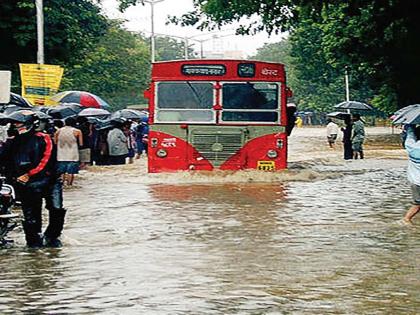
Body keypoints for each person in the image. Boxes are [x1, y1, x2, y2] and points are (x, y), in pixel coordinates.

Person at [0, 110, 66, 248]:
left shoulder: (44, 138)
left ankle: (52, 237)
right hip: (25, 183)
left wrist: (29, 174)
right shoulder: (11, 142)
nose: (16, 126)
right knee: (31, 216)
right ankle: (34, 243)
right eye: (14, 124)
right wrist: (15, 177)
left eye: (19, 123)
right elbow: (4, 161)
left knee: (57, 209)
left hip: (49, 180)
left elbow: (46, 159)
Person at [55, 116, 83, 186]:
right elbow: (81, 143)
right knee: (71, 172)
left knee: (62, 172)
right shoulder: (77, 131)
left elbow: (55, 142)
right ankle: (69, 185)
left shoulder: (58, 131)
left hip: (61, 154)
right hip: (73, 154)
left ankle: (62, 185)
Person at [403, 125, 420, 223]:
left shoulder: (411, 146)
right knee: (417, 205)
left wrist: (410, 125)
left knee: (417, 203)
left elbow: (410, 134)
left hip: (414, 181)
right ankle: (406, 220)